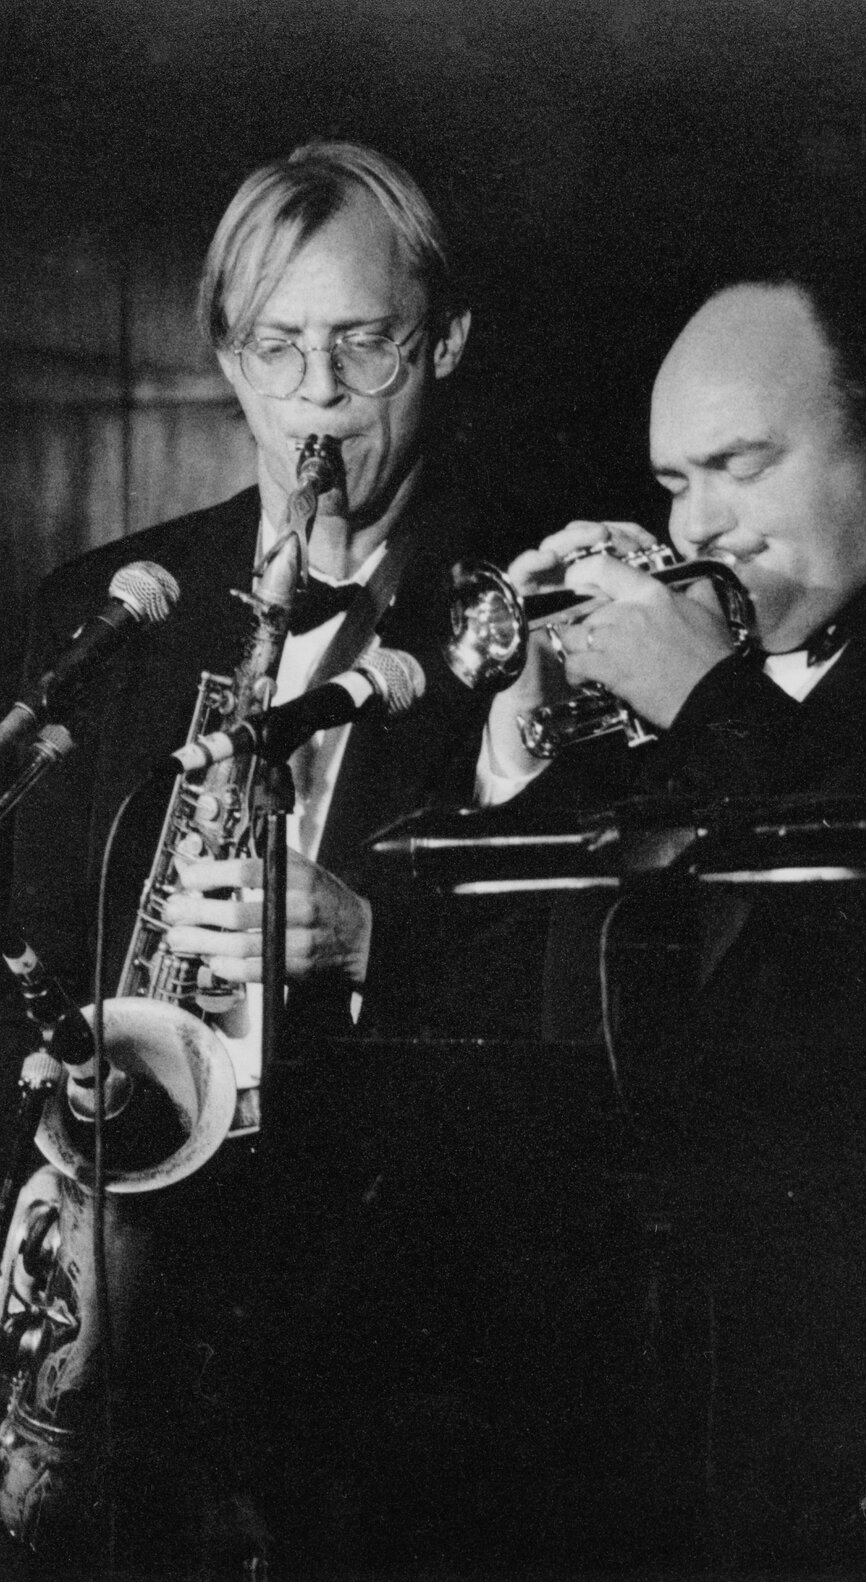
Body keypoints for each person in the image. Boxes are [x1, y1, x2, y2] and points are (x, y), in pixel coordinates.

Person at [0, 139, 547, 1578]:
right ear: (226, 359)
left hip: (391, 1348)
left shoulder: (523, 616)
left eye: (365, 343)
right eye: (275, 347)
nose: (316, 396)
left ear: (445, 342)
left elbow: (587, 1005)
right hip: (136, 1323)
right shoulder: (104, 608)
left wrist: (370, 941)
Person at [477, 273, 866, 1572]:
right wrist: (532, 726)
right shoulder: (749, 677)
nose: (698, 523)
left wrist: (708, 698)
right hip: (709, 1379)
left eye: (741, 466)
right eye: (674, 482)